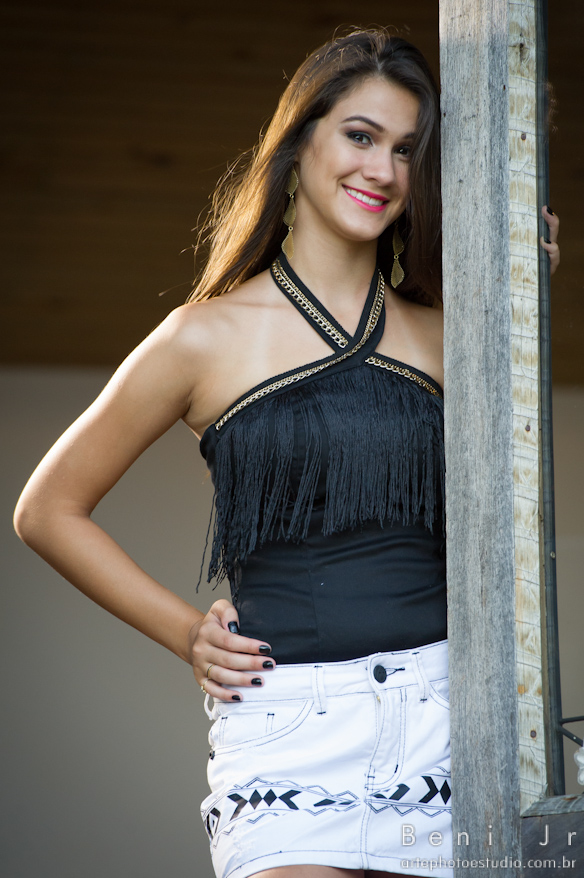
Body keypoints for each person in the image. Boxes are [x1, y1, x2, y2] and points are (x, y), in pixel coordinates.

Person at [13, 27, 560, 878]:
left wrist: (521, 303)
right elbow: (47, 510)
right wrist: (187, 633)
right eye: (361, 136)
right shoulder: (200, 338)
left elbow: (507, 516)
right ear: (299, 141)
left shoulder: (451, 335)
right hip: (289, 733)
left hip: (449, 720)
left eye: (407, 150)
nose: (383, 170)